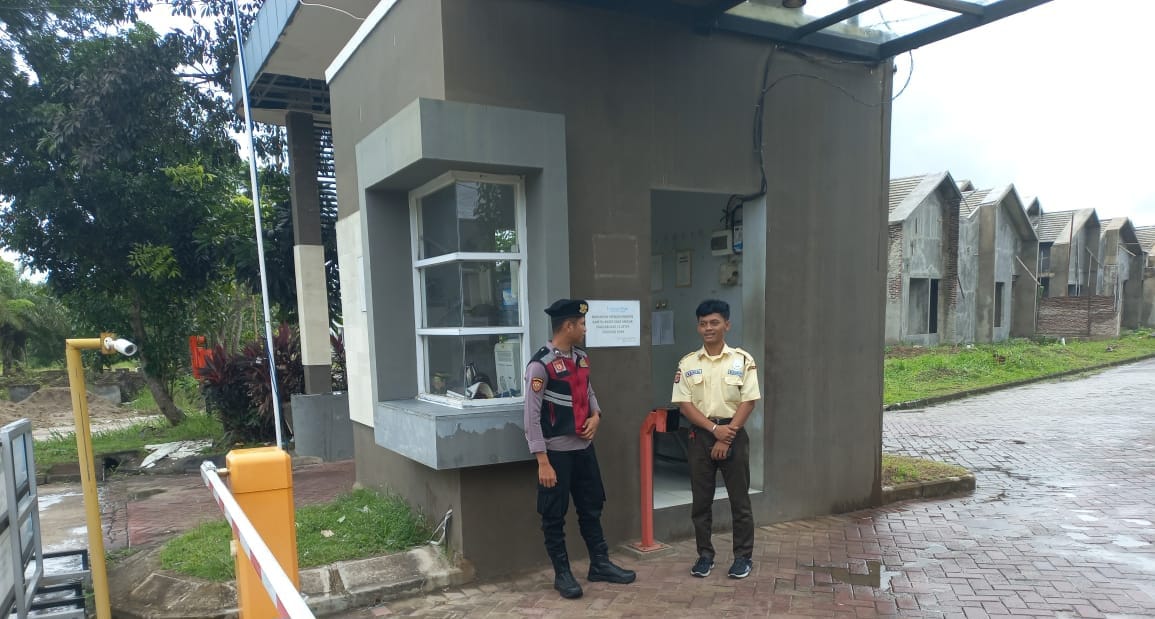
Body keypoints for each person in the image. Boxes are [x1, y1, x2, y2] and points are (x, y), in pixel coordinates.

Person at [524, 298, 636, 599]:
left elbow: (587, 390)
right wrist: (542, 461)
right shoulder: (540, 365)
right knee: (553, 515)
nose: (586, 329)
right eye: (582, 324)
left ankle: (600, 563)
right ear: (568, 326)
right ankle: (562, 574)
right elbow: (531, 416)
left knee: (591, 507)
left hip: (584, 449)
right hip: (556, 454)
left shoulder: (582, 358)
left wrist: (596, 416)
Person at [671, 299, 761, 580]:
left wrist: (726, 436)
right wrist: (713, 430)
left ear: (727, 325)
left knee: (739, 501)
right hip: (700, 436)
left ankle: (743, 557)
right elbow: (684, 404)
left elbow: (749, 401)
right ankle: (705, 556)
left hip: (733, 433)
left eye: (714, 322)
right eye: (703, 323)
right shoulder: (688, 363)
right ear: (698, 327)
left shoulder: (742, 360)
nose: (708, 328)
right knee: (701, 501)